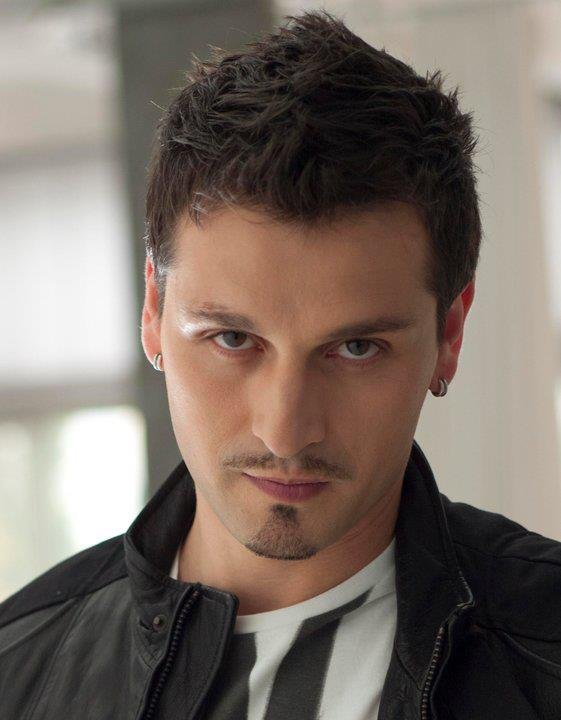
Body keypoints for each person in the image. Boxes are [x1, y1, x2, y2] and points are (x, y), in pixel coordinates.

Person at [1, 8, 560, 720]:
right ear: (153, 312)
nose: (285, 430)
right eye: (233, 340)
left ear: (448, 334)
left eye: (355, 348)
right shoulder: (18, 671)